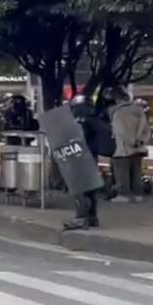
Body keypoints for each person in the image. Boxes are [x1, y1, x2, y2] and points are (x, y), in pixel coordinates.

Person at [64, 94, 112, 229]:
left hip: (80, 157)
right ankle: (92, 217)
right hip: (92, 157)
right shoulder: (94, 119)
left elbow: (78, 140)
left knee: (80, 189)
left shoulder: (81, 121)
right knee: (90, 188)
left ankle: (81, 218)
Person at [109, 90, 149, 203]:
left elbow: (119, 130)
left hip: (123, 148)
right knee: (136, 171)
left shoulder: (118, 112)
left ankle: (124, 194)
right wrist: (140, 140)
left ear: (118, 99)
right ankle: (137, 194)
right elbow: (146, 129)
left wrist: (130, 141)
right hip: (139, 147)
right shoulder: (139, 110)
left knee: (122, 171)